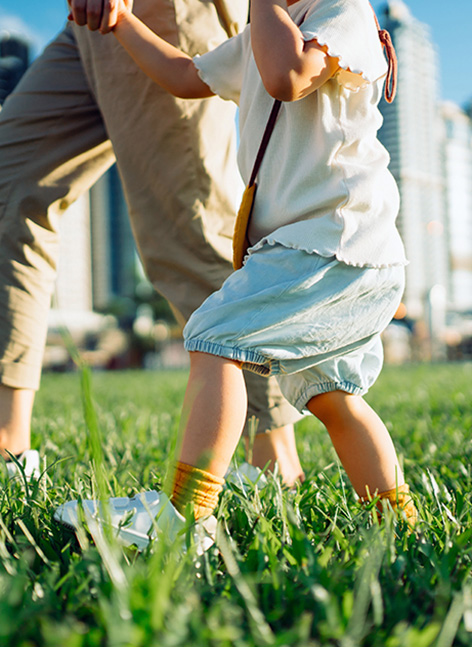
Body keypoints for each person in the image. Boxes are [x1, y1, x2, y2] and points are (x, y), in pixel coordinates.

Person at [55, 0, 418, 549]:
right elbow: (184, 75)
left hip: (331, 243)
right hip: (322, 250)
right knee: (332, 395)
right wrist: (123, 20)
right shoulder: (265, 29)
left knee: (213, 336)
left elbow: (288, 77)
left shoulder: (344, 11)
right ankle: (401, 526)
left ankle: (185, 518)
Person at [0, 0, 304, 485]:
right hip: (83, 29)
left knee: (190, 231)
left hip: (164, 10)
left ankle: (269, 457)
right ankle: (7, 447)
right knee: (10, 189)